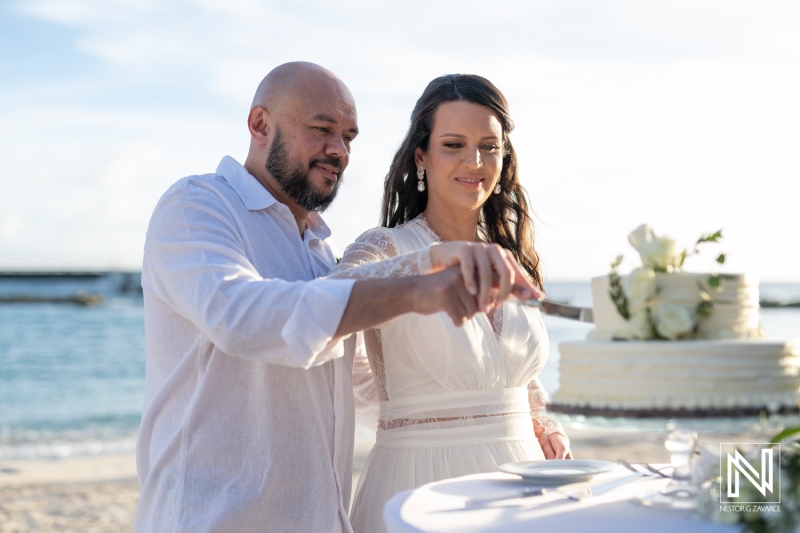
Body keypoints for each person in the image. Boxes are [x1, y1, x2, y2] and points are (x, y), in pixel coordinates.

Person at [134, 62, 540, 533]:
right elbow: (241, 316)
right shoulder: (196, 205)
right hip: (214, 520)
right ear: (259, 124)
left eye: (349, 136)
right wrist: (416, 280)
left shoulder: (319, 254)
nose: (339, 150)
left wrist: (501, 418)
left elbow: (366, 384)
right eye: (322, 130)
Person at [327, 73, 572, 533]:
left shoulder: (512, 256)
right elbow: (329, 300)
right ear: (422, 156)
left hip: (525, 482)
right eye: (454, 144)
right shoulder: (386, 247)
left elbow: (516, 371)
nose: (474, 161)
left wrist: (542, 423)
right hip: (422, 485)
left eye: (489, 146)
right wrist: (430, 262)